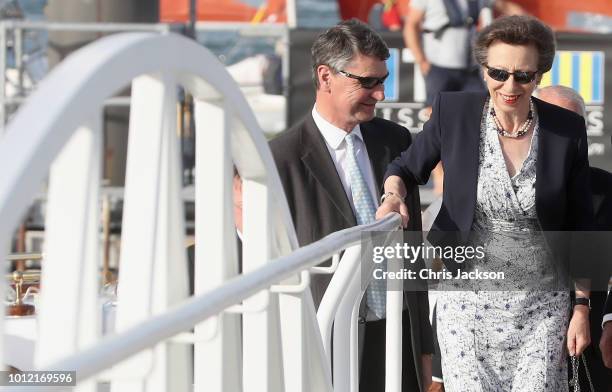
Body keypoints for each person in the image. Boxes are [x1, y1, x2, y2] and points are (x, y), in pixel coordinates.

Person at [377, 15, 594, 391]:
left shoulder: (565, 130)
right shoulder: (455, 112)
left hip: (542, 306)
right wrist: (394, 194)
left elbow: (582, 225)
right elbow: (406, 167)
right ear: (483, 70)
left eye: (523, 76)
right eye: (498, 73)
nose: (509, 86)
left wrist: (581, 306)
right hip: (466, 303)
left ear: (539, 75)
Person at [270, 19, 433, 391]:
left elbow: (412, 252)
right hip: (322, 346)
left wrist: (424, 350)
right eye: (367, 82)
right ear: (325, 76)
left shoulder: (396, 142)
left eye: (383, 80)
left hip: (397, 338)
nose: (380, 94)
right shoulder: (280, 160)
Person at [404, 0, 524, 195]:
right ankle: (439, 175)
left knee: (479, 116)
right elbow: (411, 25)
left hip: (470, 68)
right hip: (439, 66)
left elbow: (505, 6)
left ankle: (472, 174)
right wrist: (422, 60)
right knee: (436, 119)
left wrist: (531, 23)